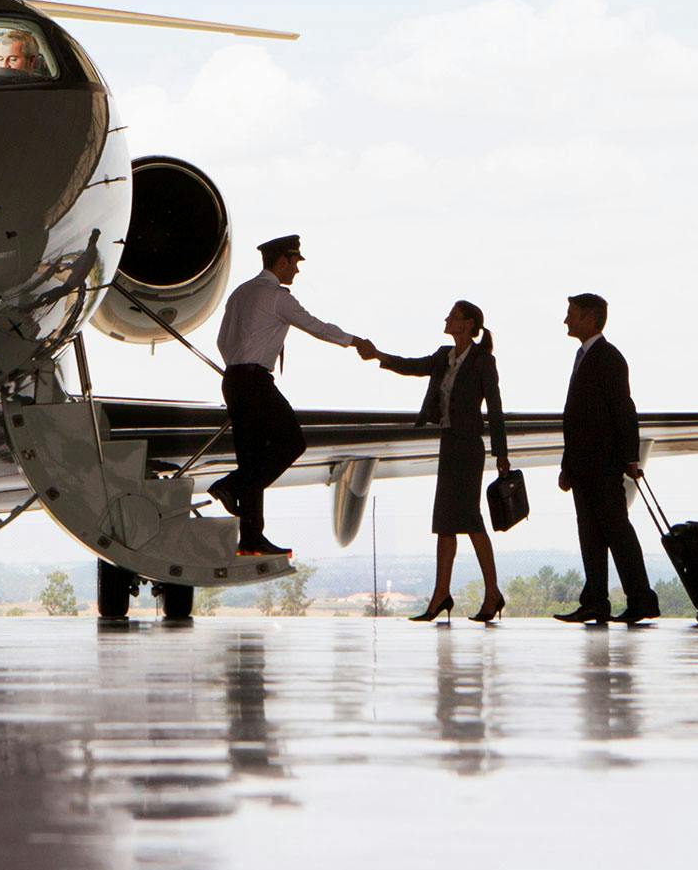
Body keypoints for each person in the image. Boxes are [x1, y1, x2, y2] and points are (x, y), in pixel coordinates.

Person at [206, 233, 375, 558]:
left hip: (234, 379)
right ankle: (233, 485)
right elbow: (316, 326)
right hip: (256, 381)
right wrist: (356, 342)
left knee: (253, 458)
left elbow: (223, 340)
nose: (296, 271)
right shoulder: (276, 296)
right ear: (282, 261)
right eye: (295, 263)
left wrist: (237, 366)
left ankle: (252, 538)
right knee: (292, 443)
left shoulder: (241, 293)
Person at [372, 300, 509, 624]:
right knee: (445, 523)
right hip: (449, 445)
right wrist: (380, 357)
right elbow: (412, 365)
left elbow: (496, 408)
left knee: (470, 519)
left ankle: (492, 593)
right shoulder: (442, 356)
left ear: (467, 323)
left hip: (468, 449)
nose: (447, 319)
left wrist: (501, 454)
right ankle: (441, 594)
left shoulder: (482, 361)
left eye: (453, 316)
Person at [555, 291, 660, 627]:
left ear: (589, 317)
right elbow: (577, 418)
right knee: (591, 535)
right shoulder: (585, 356)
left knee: (616, 532)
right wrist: (567, 465)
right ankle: (596, 601)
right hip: (584, 464)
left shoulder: (609, 357)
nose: (566, 319)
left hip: (602, 464)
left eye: (571, 313)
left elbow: (624, 410)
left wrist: (630, 458)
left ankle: (640, 599)